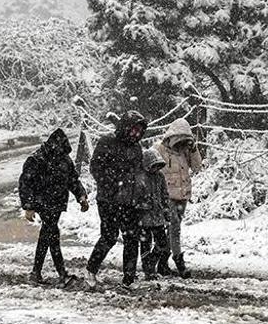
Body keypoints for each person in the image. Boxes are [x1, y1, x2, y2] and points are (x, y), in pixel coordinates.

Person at [18, 128, 89, 286]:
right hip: (43, 203)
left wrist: (81, 196)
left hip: (56, 204)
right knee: (52, 234)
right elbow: (25, 184)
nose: (61, 153)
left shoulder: (64, 160)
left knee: (48, 235)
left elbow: (73, 181)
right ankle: (59, 273)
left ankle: (38, 273)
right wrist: (29, 207)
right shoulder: (37, 159)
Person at [85, 110, 147, 289]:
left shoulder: (136, 148)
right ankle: (90, 269)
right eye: (134, 130)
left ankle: (129, 279)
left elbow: (138, 172)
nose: (136, 134)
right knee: (109, 236)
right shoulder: (107, 142)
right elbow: (95, 167)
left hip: (130, 200)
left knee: (131, 238)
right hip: (108, 199)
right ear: (126, 127)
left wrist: (140, 192)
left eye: (139, 132)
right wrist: (113, 184)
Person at [154, 118, 202, 278]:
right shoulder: (159, 149)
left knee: (172, 231)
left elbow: (197, 167)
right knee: (174, 229)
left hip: (182, 196)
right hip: (166, 197)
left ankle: (161, 262)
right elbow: (150, 167)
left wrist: (194, 149)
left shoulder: (186, 152)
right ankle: (179, 262)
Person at [133, 147, 171, 280]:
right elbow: (135, 198)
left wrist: (166, 209)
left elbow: (164, 194)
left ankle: (151, 261)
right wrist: (142, 205)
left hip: (158, 215)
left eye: (158, 166)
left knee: (162, 242)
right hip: (144, 218)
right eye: (153, 166)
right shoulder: (140, 178)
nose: (156, 169)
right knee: (145, 243)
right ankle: (148, 269)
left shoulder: (160, 177)